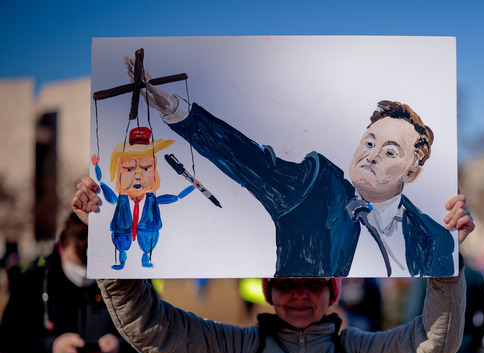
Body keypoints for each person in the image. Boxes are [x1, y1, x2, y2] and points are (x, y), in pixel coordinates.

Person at [73, 178, 474, 353]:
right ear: (268, 290)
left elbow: (431, 342)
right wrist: (110, 252)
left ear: (332, 292)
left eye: (314, 284)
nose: (299, 294)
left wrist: (446, 263)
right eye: (286, 284)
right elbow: (151, 327)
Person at [124, 57, 454, 277]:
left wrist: (458, 257)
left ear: (411, 173)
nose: (372, 155)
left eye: (390, 152)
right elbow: (246, 158)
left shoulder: (433, 237)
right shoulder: (313, 187)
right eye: (369, 142)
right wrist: (181, 113)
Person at [0, 213, 173, 353]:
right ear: (61, 245)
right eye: (77, 263)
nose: (84, 274)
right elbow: (8, 339)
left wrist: (121, 348)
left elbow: (157, 334)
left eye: (91, 266)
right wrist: (50, 349)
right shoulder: (35, 281)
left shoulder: (131, 280)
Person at [92, 125, 195, 270]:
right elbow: (103, 187)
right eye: (128, 169)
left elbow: (176, 197)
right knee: (121, 239)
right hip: (122, 230)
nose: (138, 176)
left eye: (146, 168)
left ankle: (145, 258)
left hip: (147, 233)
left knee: (147, 243)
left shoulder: (152, 200)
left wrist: (193, 186)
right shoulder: (119, 200)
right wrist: (97, 168)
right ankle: (122, 260)